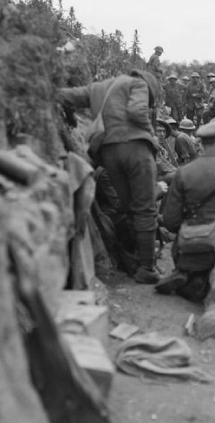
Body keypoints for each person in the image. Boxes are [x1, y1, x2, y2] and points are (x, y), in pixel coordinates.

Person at [57, 69, 162, 284]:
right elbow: (137, 111)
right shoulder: (137, 84)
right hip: (135, 150)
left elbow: (63, 95)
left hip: (108, 154)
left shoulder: (97, 88)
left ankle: (134, 259)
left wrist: (68, 114)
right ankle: (147, 268)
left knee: (129, 208)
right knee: (145, 208)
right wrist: (150, 134)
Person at [156, 118, 215, 301]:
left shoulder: (183, 173)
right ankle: (213, 276)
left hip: (189, 246)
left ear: (203, 143)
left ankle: (190, 273)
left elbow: (171, 222)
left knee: (189, 254)